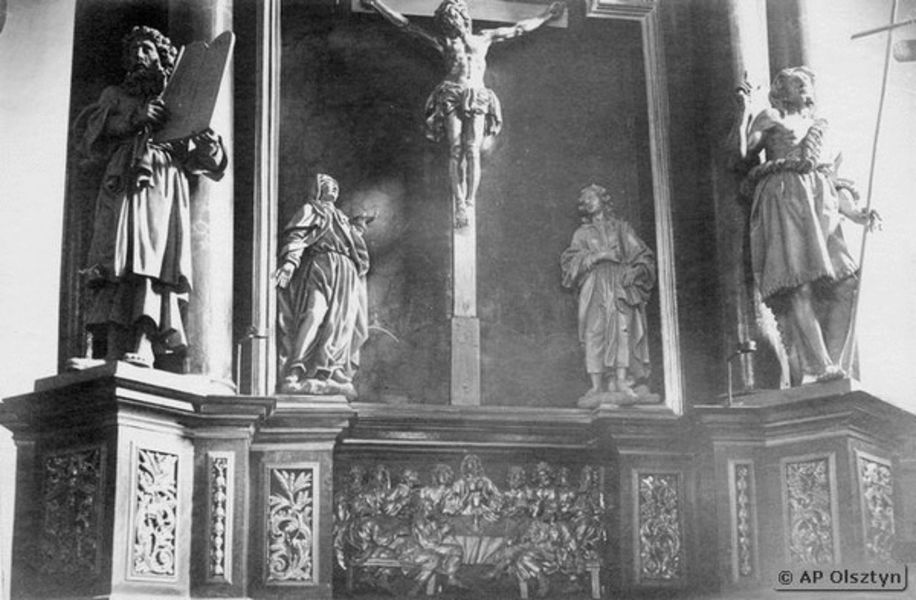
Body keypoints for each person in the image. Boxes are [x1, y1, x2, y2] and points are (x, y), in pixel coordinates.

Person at [68, 26, 227, 370]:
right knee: (113, 259)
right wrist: (133, 119)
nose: (139, 56)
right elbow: (90, 132)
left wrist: (210, 146)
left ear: (163, 57)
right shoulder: (116, 95)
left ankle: (143, 344)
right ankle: (107, 352)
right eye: (134, 51)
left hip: (161, 182)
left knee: (150, 261)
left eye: (147, 49)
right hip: (121, 180)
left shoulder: (181, 96)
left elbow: (207, 162)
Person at [361, 0, 565, 227]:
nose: (452, 22)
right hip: (451, 94)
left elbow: (519, 29)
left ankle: (469, 201)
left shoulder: (484, 39)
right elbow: (407, 26)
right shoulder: (444, 43)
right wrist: (377, 4)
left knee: (472, 149)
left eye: (455, 17)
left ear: (464, 18)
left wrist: (547, 15)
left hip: (477, 95)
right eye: (448, 20)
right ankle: (459, 200)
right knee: (456, 148)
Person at [735, 67, 880, 383]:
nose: (805, 87)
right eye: (797, 83)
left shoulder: (821, 128)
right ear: (781, 90)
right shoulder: (771, 117)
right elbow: (743, 153)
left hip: (821, 208)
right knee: (798, 284)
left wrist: (856, 213)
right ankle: (821, 365)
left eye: (807, 84)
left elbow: (833, 178)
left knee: (847, 284)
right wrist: (744, 112)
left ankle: (834, 363)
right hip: (784, 199)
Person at [275, 173, 372, 397]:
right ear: (318, 188)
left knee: (342, 321)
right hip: (321, 264)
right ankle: (296, 367)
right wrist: (290, 263)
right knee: (314, 314)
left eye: (336, 186)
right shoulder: (311, 209)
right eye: (328, 185)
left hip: (346, 270)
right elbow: (297, 236)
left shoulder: (342, 217)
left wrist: (358, 228)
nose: (334, 189)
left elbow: (353, 244)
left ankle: (331, 367)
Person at [560, 184, 656, 404]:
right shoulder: (582, 233)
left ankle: (621, 380)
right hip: (594, 286)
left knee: (622, 330)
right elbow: (570, 262)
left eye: (592, 197)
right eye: (585, 200)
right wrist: (599, 255)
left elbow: (643, 256)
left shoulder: (621, 229)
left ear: (603, 200)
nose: (588, 202)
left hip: (620, 285)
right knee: (595, 332)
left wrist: (635, 271)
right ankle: (596, 385)